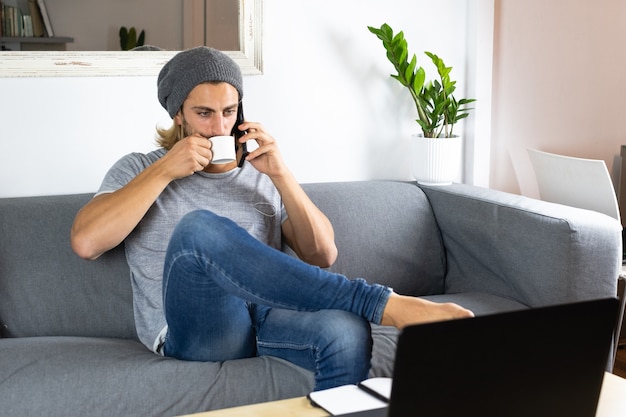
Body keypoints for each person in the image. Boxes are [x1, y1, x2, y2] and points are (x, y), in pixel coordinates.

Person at [70, 46, 473, 391]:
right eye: (204, 114)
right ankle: (380, 303)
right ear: (179, 115)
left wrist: (281, 174)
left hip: (268, 318)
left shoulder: (260, 174)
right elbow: (86, 242)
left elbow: (322, 254)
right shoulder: (140, 168)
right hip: (199, 330)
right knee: (198, 228)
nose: (219, 126)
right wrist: (164, 171)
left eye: (229, 111)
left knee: (345, 333)